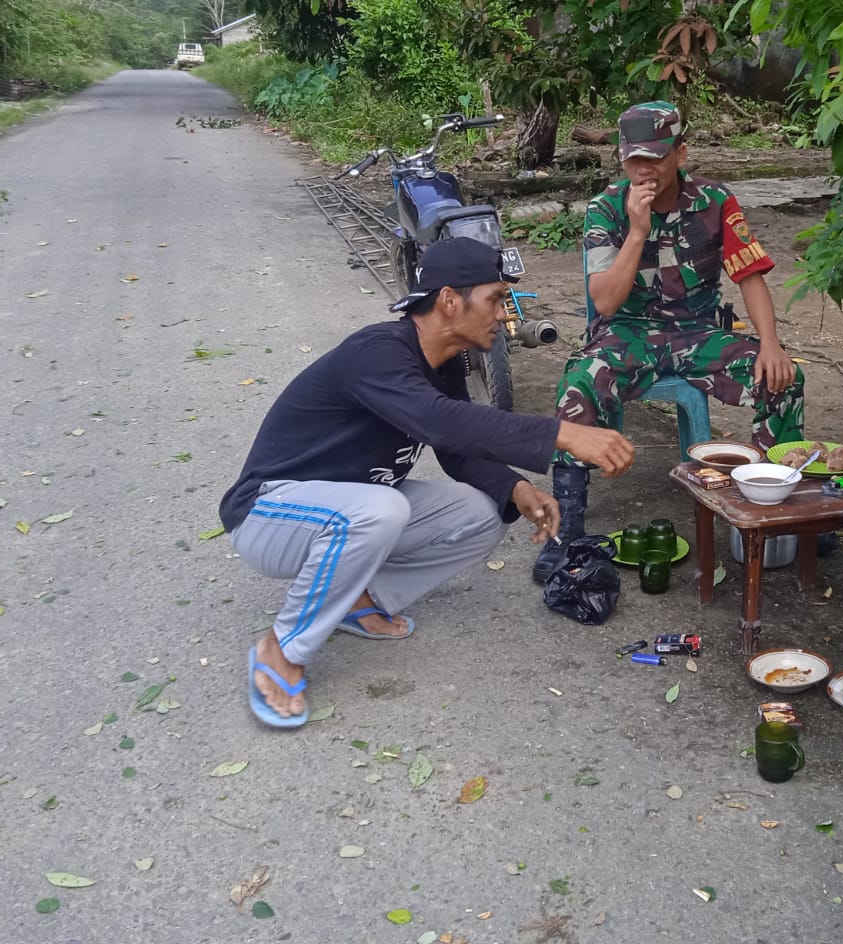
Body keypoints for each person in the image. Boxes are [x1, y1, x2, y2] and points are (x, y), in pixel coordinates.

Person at [221, 237, 635, 729]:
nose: (505, 315)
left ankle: (359, 600)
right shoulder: (376, 352)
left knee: (481, 512)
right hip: (269, 513)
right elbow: (438, 421)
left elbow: (455, 445)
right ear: (449, 300)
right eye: (497, 298)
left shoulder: (445, 363)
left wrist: (516, 489)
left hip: (348, 510)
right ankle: (283, 647)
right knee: (381, 510)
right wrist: (563, 433)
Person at [544, 100, 805, 571]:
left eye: (655, 157)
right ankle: (566, 530)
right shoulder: (606, 208)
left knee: (781, 377)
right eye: (633, 159)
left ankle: (774, 504)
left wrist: (771, 343)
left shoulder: (716, 201)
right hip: (627, 334)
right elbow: (604, 302)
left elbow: (749, 276)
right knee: (579, 383)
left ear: (680, 154)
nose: (644, 169)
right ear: (622, 158)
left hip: (698, 333)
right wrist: (637, 231)